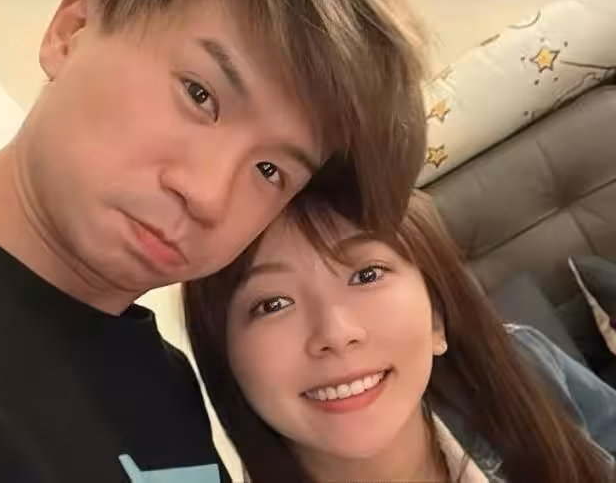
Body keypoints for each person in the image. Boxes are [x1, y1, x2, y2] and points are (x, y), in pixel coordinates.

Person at [0, 0, 428, 481]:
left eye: (270, 170)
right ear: (73, 28)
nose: (210, 196)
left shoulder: (165, 379)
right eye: (199, 95)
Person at [185, 190, 616, 483]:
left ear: (436, 318)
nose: (336, 333)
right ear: (227, 361)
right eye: (273, 304)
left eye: (367, 275)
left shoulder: (521, 364)